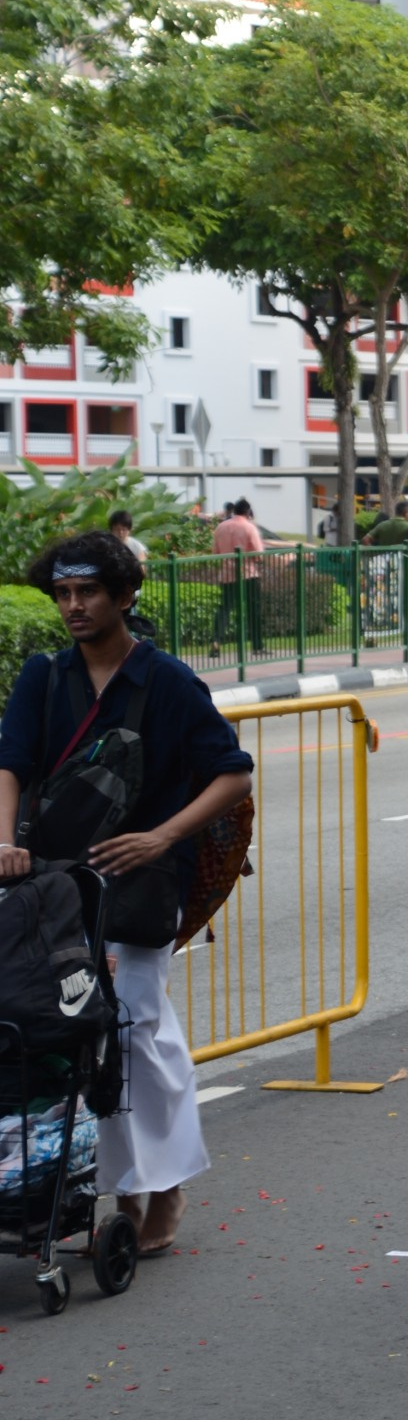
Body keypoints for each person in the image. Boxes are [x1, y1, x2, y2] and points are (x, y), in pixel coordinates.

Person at [0, 533, 253, 1256]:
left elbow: (232, 773)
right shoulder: (44, 677)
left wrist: (160, 838)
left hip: (140, 884)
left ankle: (161, 1189)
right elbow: (10, 764)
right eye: (63, 594)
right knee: (63, 1034)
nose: (74, 606)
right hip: (51, 887)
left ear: (122, 596)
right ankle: (92, 1189)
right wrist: (4, 844)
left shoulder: (167, 682)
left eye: (88, 592)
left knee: (135, 1027)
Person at [210, 497, 265, 658]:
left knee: (224, 609)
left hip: (227, 575)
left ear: (234, 511)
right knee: (253, 610)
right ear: (248, 512)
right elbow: (258, 554)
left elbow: (215, 553)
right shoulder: (249, 527)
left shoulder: (221, 527)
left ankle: (216, 641)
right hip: (248, 574)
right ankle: (257, 645)